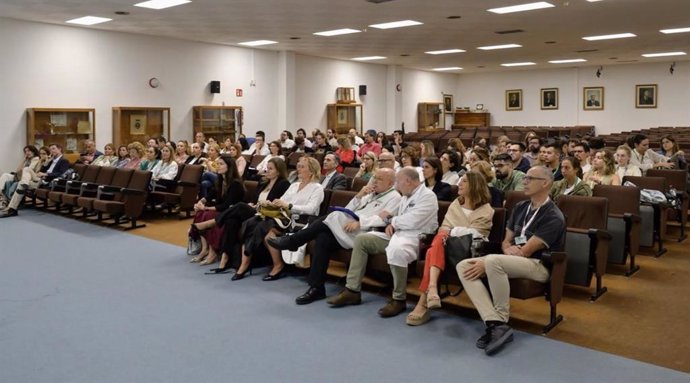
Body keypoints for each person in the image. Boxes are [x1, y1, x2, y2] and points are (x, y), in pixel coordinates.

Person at [458, 166, 566, 355]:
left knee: (492, 261)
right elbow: (506, 241)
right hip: (511, 259)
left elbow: (526, 250)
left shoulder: (554, 215)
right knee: (463, 265)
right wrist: (506, 248)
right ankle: (495, 322)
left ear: (545, 183)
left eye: (530, 178)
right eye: (524, 178)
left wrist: (497, 257)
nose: (524, 181)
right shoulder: (520, 207)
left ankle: (500, 319)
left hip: (538, 265)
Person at [267, 168, 401, 304]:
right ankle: (316, 288)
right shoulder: (371, 193)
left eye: (379, 179)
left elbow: (382, 219)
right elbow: (349, 209)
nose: (374, 181)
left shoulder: (395, 197)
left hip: (364, 234)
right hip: (347, 229)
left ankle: (293, 241)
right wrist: (359, 195)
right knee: (323, 238)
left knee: (332, 217)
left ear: (390, 183)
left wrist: (360, 222)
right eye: (374, 177)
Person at [327, 167, 438, 317]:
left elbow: (413, 220)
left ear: (408, 181)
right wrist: (392, 221)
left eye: (398, 182)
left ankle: (399, 299)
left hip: (416, 238)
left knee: (397, 251)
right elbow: (394, 217)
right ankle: (352, 290)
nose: (396, 185)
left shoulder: (428, 196)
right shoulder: (406, 195)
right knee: (362, 240)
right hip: (397, 234)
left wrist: (391, 220)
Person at [406, 171, 494, 326]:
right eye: (460, 181)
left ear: (475, 185)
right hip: (446, 248)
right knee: (437, 243)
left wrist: (453, 231)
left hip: (470, 251)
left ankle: (425, 298)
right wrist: (456, 231)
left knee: (433, 248)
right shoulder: (455, 204)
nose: (459, 184)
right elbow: (443, 229)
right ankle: (431, 291)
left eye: (464, 181)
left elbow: (476, 233)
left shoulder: (486, 209)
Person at [234, 156, 324, 281]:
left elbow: (311, 209)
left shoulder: (317, 188)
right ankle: (247, 263)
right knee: (251, 223)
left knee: (262, 228)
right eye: (298, 166)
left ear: (312, 170)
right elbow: (283, 200)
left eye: (302, 167)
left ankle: (263, 264)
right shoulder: (294, 185)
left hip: (301, 221)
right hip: (283, 218)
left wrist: (290, 206)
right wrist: (273, 204)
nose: (298, 169)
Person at [208, 158, 291, 273]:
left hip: (267, 214)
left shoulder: (283, 184)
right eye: (267, 168)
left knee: (240, 206)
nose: (267, 171)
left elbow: (279, 203)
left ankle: (213, 222)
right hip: (256, 211)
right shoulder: (263, 182)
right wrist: (252, 204)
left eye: (271, 169)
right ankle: (225, 259)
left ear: (279, 171)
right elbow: (254, 199)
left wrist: (261, 205)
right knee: (231, 220)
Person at [189, 157, 246, 266]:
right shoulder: (220, 180)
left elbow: (226, 206)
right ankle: (204, 249)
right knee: (201, 213)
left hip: (232, 213)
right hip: (223, 211)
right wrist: (201, 202)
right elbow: (210, 196)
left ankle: (213, 252)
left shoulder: (236, 184)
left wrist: (206, 208)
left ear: (229, 167)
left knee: (209, 214)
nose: (218, 166)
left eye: (221, 164)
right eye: (217, 164)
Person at [0, 144, 70, 218]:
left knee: (26, 172)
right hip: (39, 179)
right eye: (50, 149)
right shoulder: (51, 160)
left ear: (59, 149)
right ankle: (12, 209)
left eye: (53, 148)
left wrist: (46, 174)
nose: (52, 151)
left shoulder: (64, 161)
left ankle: (12, 208)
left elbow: (62, 174)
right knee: (22, 181)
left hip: (49, 181)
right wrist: (46, 163)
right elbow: (41, 171)